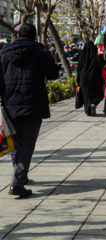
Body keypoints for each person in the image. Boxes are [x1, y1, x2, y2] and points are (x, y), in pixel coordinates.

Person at [0, 23, 59, 197]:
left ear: (17, 35)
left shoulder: (3, 53)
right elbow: (54, 74)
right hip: (33, 104)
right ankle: (17, 183)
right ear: (34, 36)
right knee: (26, 144)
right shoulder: (40, 53)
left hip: (10, 105)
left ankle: (20, 177)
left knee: (15, 143)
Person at [76, 40, 106, 116]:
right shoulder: (96, 54)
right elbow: (102, 63)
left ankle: (88, 110)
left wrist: (78, 80)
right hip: (95, 77)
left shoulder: (82, 56)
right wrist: (100, 53)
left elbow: (78, 68)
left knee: (86, 95)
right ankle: (94, 103)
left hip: (84, 78)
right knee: (99, 94)